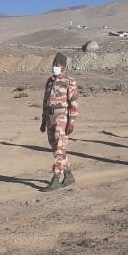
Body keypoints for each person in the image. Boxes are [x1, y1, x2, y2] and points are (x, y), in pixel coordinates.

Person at [40, 52, 79, 191]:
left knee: (58, 151)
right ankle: (68, 176)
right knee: (57, 150)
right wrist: (43, 121)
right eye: (53, 65)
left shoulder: (69, 81)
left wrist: (71, 122)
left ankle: (56, 179)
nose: (54, 67)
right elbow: (45, 102)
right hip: (50, 118)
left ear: (63, 66)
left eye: (57, 65)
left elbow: (73, 103)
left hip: (62, 118)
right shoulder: (50, 81)